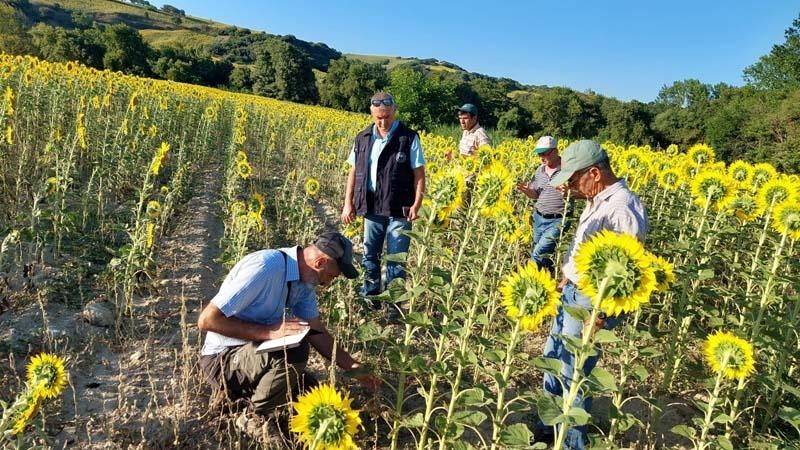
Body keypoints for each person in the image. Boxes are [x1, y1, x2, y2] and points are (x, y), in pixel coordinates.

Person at [535, 140, 648, 449]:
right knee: (553, 359)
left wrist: (601, 315)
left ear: (595, 173)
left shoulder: (621, 207)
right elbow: (587, 249)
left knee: (574, 373)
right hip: (572, 292)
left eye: (573, 179)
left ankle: (572, 442)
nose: (570, 187)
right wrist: (566, 276)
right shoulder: (598, 199)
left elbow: (627, 269)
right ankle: (548, 429)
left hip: (591, 301)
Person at [197, 231, 378, 424]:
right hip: (222, 360)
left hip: (252, 354)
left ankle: (235, 396)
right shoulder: (266, 267)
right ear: (320, 263)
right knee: (295, 351)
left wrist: (353, 366)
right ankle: (255, 418)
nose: (331, 282)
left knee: (310, 393)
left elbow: (316, 331)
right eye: (333, 275)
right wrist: (269, 332)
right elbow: (207, 320)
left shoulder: (304, 283)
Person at [341, 92, 426, 303]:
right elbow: (353, 172)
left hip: (400, 209)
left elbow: (419, 174)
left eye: (387, 116)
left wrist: (417, 204)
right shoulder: (362, 138)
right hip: (371, 206)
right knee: (370, 254)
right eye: (378, 117)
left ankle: (393, 304)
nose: (383, 121)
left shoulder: (408, 138)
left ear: (394, 112)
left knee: (396, 260)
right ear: (371, 113)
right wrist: (347, 203)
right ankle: (370, 297)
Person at [516, 136, 569, 273]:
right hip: (539, 218)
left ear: (555, 151)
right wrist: (528, 192)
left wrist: (569, 192)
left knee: (539, 251)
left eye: (544, 153)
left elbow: (581, 191)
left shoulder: (568, 169)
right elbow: (536, 194)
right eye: (540, 154)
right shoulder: (540, 171)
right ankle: (547, 278)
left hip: (558, 220)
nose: (541, 157)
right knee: (543, 256)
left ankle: (528, 277)